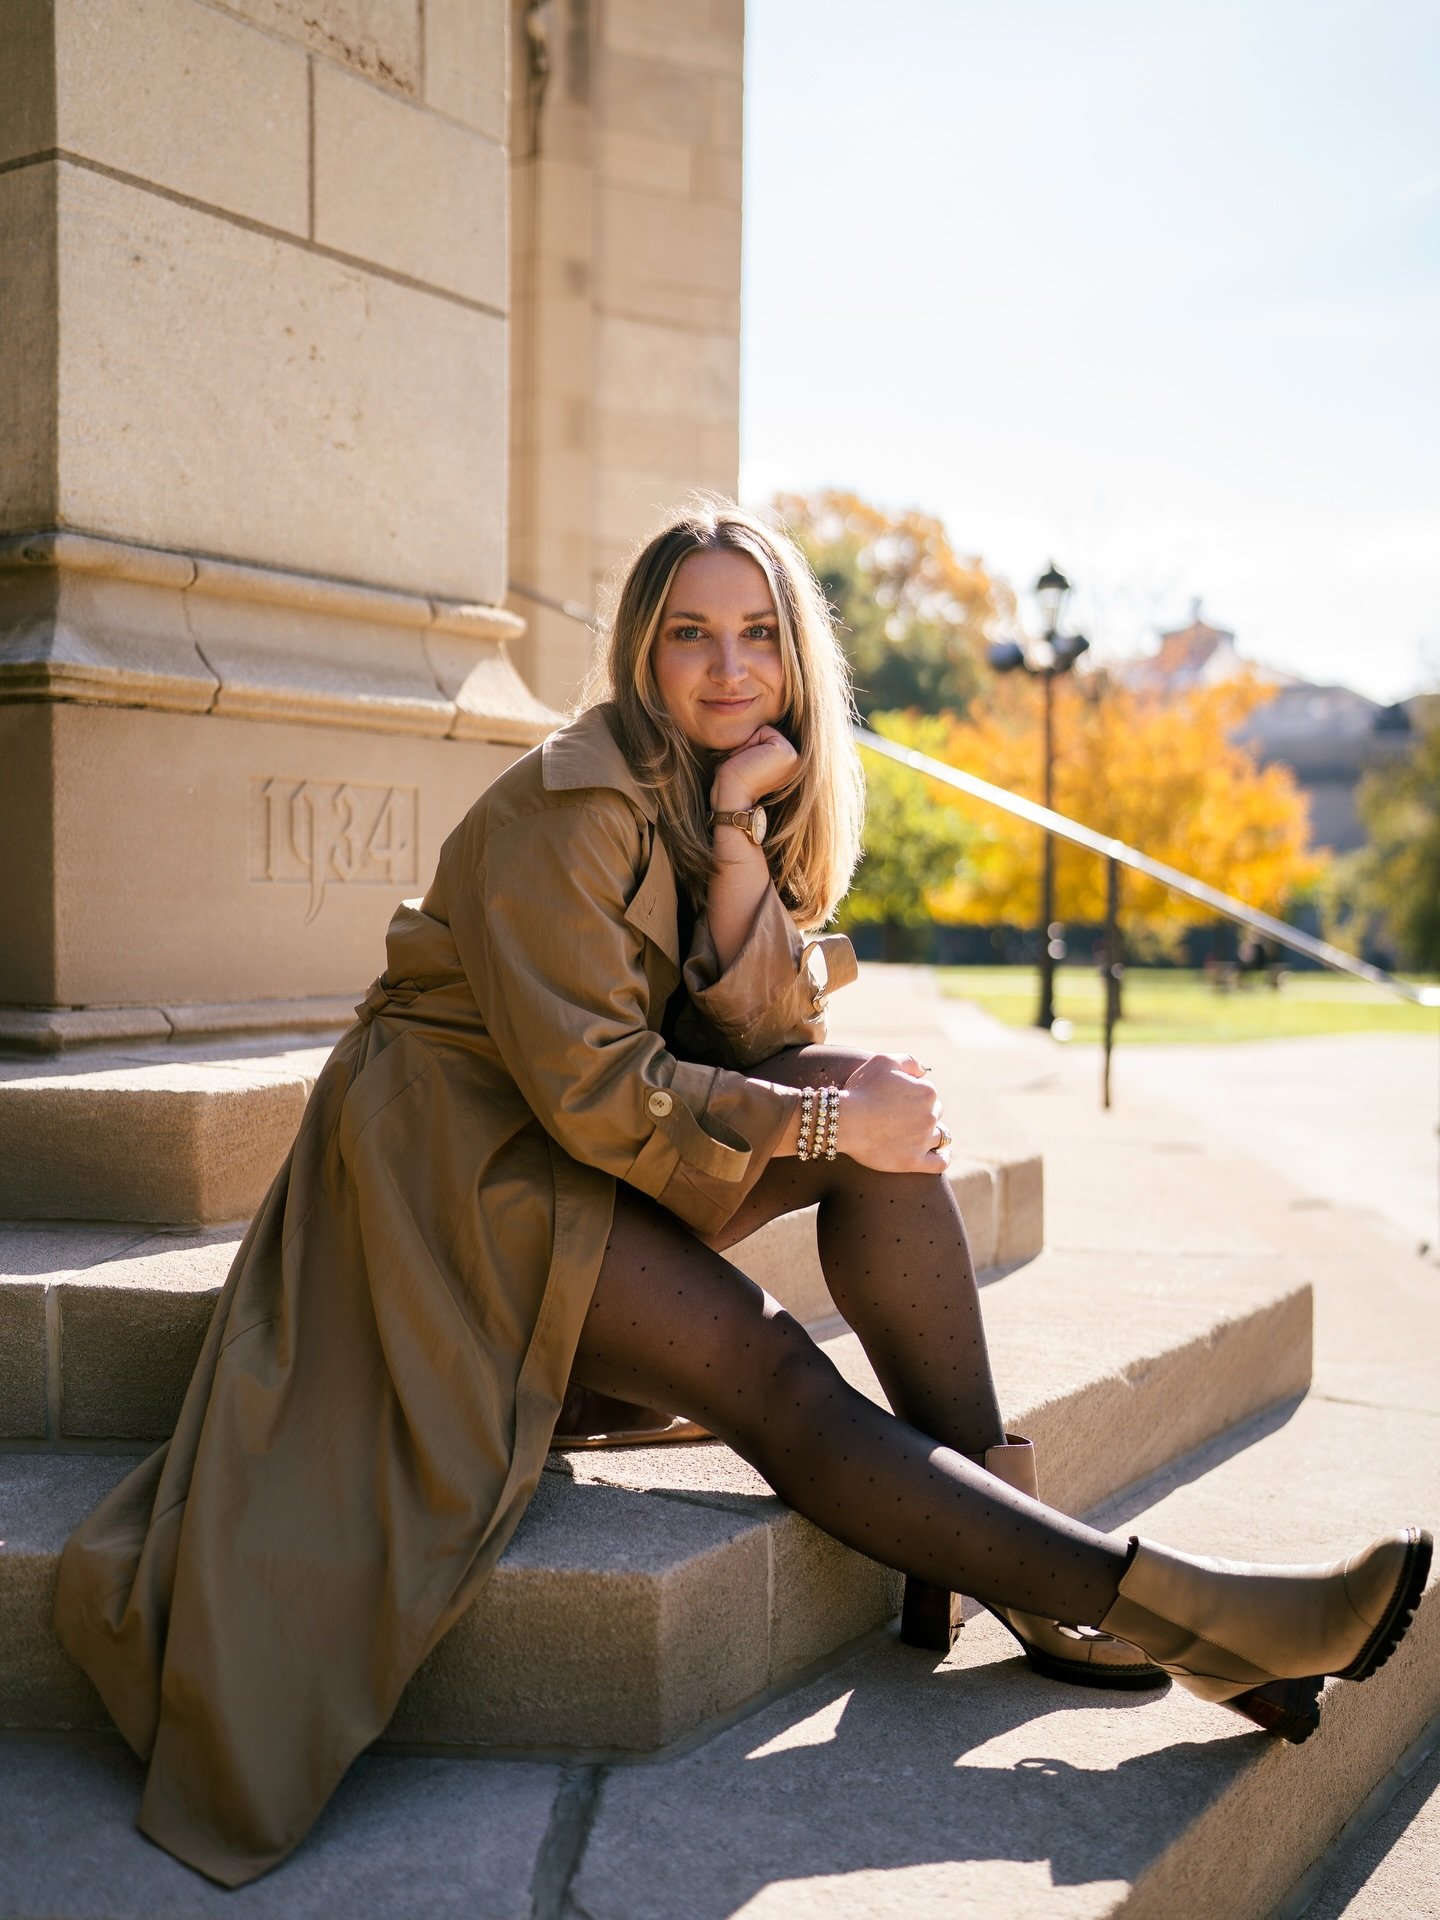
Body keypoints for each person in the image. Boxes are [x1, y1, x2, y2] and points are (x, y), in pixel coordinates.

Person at [54, 504, 1429, 1889]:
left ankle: (1030, 1573)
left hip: (570, 1146)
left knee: (871, 1119)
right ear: (642, 655)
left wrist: (735, 849)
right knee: (775, 1365)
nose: (729, 669)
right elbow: (598, 1093)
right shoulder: (572, 800)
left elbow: (760, 1036)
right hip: (455, 1179)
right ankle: (1180, 1611)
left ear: (794, 662)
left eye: (760, 636)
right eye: (691, 636)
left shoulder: (711, 795)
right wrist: (829, 1112)